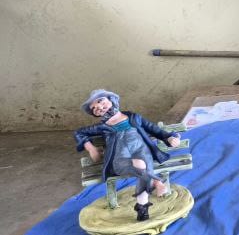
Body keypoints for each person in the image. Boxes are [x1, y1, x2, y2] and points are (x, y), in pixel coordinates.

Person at [73, 89, 181, 221]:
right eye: (94, 108)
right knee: (142, 166)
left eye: (100, 101)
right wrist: (91, 149)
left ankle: (142, 209)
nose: (99, 107)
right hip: (120, 158)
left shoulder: (134, 118)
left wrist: (170, 137)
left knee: (142, 164)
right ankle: (157, 182)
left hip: (141, 150)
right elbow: (79, 132)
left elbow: (155, 130)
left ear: (111, 99)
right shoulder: (102, 127)